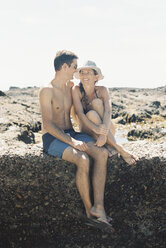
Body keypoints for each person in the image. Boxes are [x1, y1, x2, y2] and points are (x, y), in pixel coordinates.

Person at [39, 51, 114, 232]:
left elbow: (83, 107)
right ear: (64, 67)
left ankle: (99, 206)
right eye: (74, 67)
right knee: (82, 159)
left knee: (102, 153)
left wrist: (100, 131)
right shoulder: (46, 90)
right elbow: (48, 125)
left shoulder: (71, 86)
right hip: (53, 138)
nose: (76, 71)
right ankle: (89, 213)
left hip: (72, 132)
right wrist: (72, 141)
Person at [72, 60, 136, 165]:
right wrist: (95, 128)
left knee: (97, 103)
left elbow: (108, 111)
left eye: (88, 72)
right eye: (82, 72)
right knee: (91, 114)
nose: (84, 75)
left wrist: (103, 135)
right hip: (88, 130)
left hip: (107, 130)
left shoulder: (103, 90)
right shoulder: (76, 90)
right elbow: (80, 114)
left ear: (96, 77)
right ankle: (118, 147)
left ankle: (108, 143)